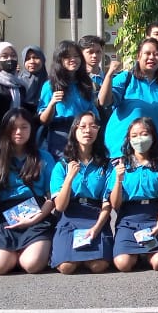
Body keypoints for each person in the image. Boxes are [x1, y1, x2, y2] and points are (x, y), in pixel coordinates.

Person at [0, 109, 57, 275]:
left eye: (24, 127)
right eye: (13, 128)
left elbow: (51, 198)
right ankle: (12, 254)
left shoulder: (44, 157)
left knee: (32, 264)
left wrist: (34, 219)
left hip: (37, 215)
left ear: (31, 129)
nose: (19, 132)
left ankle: (28, 252)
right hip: (4, 219)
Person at [107, 118, 158, 272]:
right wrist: (118, 180)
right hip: (127, 220)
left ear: (153, 136)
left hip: (153, 217)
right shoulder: (120, 165)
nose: (139, 139)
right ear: (128, 139)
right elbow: (115, 204)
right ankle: (136, 256)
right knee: (123, 264)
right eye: (134, 135)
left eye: (144, 134)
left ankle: (151, 252)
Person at [49, 112, 113, 274]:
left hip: (96, 215)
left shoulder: (106, 165)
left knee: (98, 266)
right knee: (66, 267)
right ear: (74, 131)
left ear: (98, 131)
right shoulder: (62, 165)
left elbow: (107, 203)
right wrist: (69, 178)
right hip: (69, 215)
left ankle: (86, 255)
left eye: (93, 126)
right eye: (82, 126)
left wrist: (97, 228)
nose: (87, 130)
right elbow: (60, 206)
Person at [99, 38, 158, 167]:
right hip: (121, 154)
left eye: (156, 54)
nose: (152, 57)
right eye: (147, 53)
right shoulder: (127, 78)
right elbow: (104, 101)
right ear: (138, 56)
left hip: (153, 155)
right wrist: (109, 75)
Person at [39, 40, 98, 159]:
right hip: (60, 136)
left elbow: (93, 111)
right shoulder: (50, 85)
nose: (73, 59)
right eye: (67, 57)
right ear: (59, 60)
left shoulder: (86, 84)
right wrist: (52, 104)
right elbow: (43, 120)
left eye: (76, 56)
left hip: (84, 131)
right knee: (64, 167)